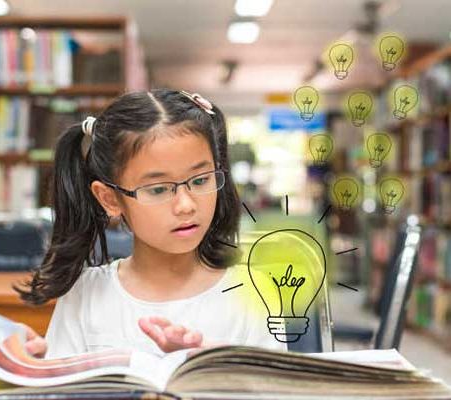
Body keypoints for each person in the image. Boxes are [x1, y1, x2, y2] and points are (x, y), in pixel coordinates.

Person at [16, 89, 286, 358]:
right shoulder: (86, 294)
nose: (186, 205)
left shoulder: (255, 292)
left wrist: (219, 368)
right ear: (110, 199)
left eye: (201, 180)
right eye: (158, 189)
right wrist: (31, 372)